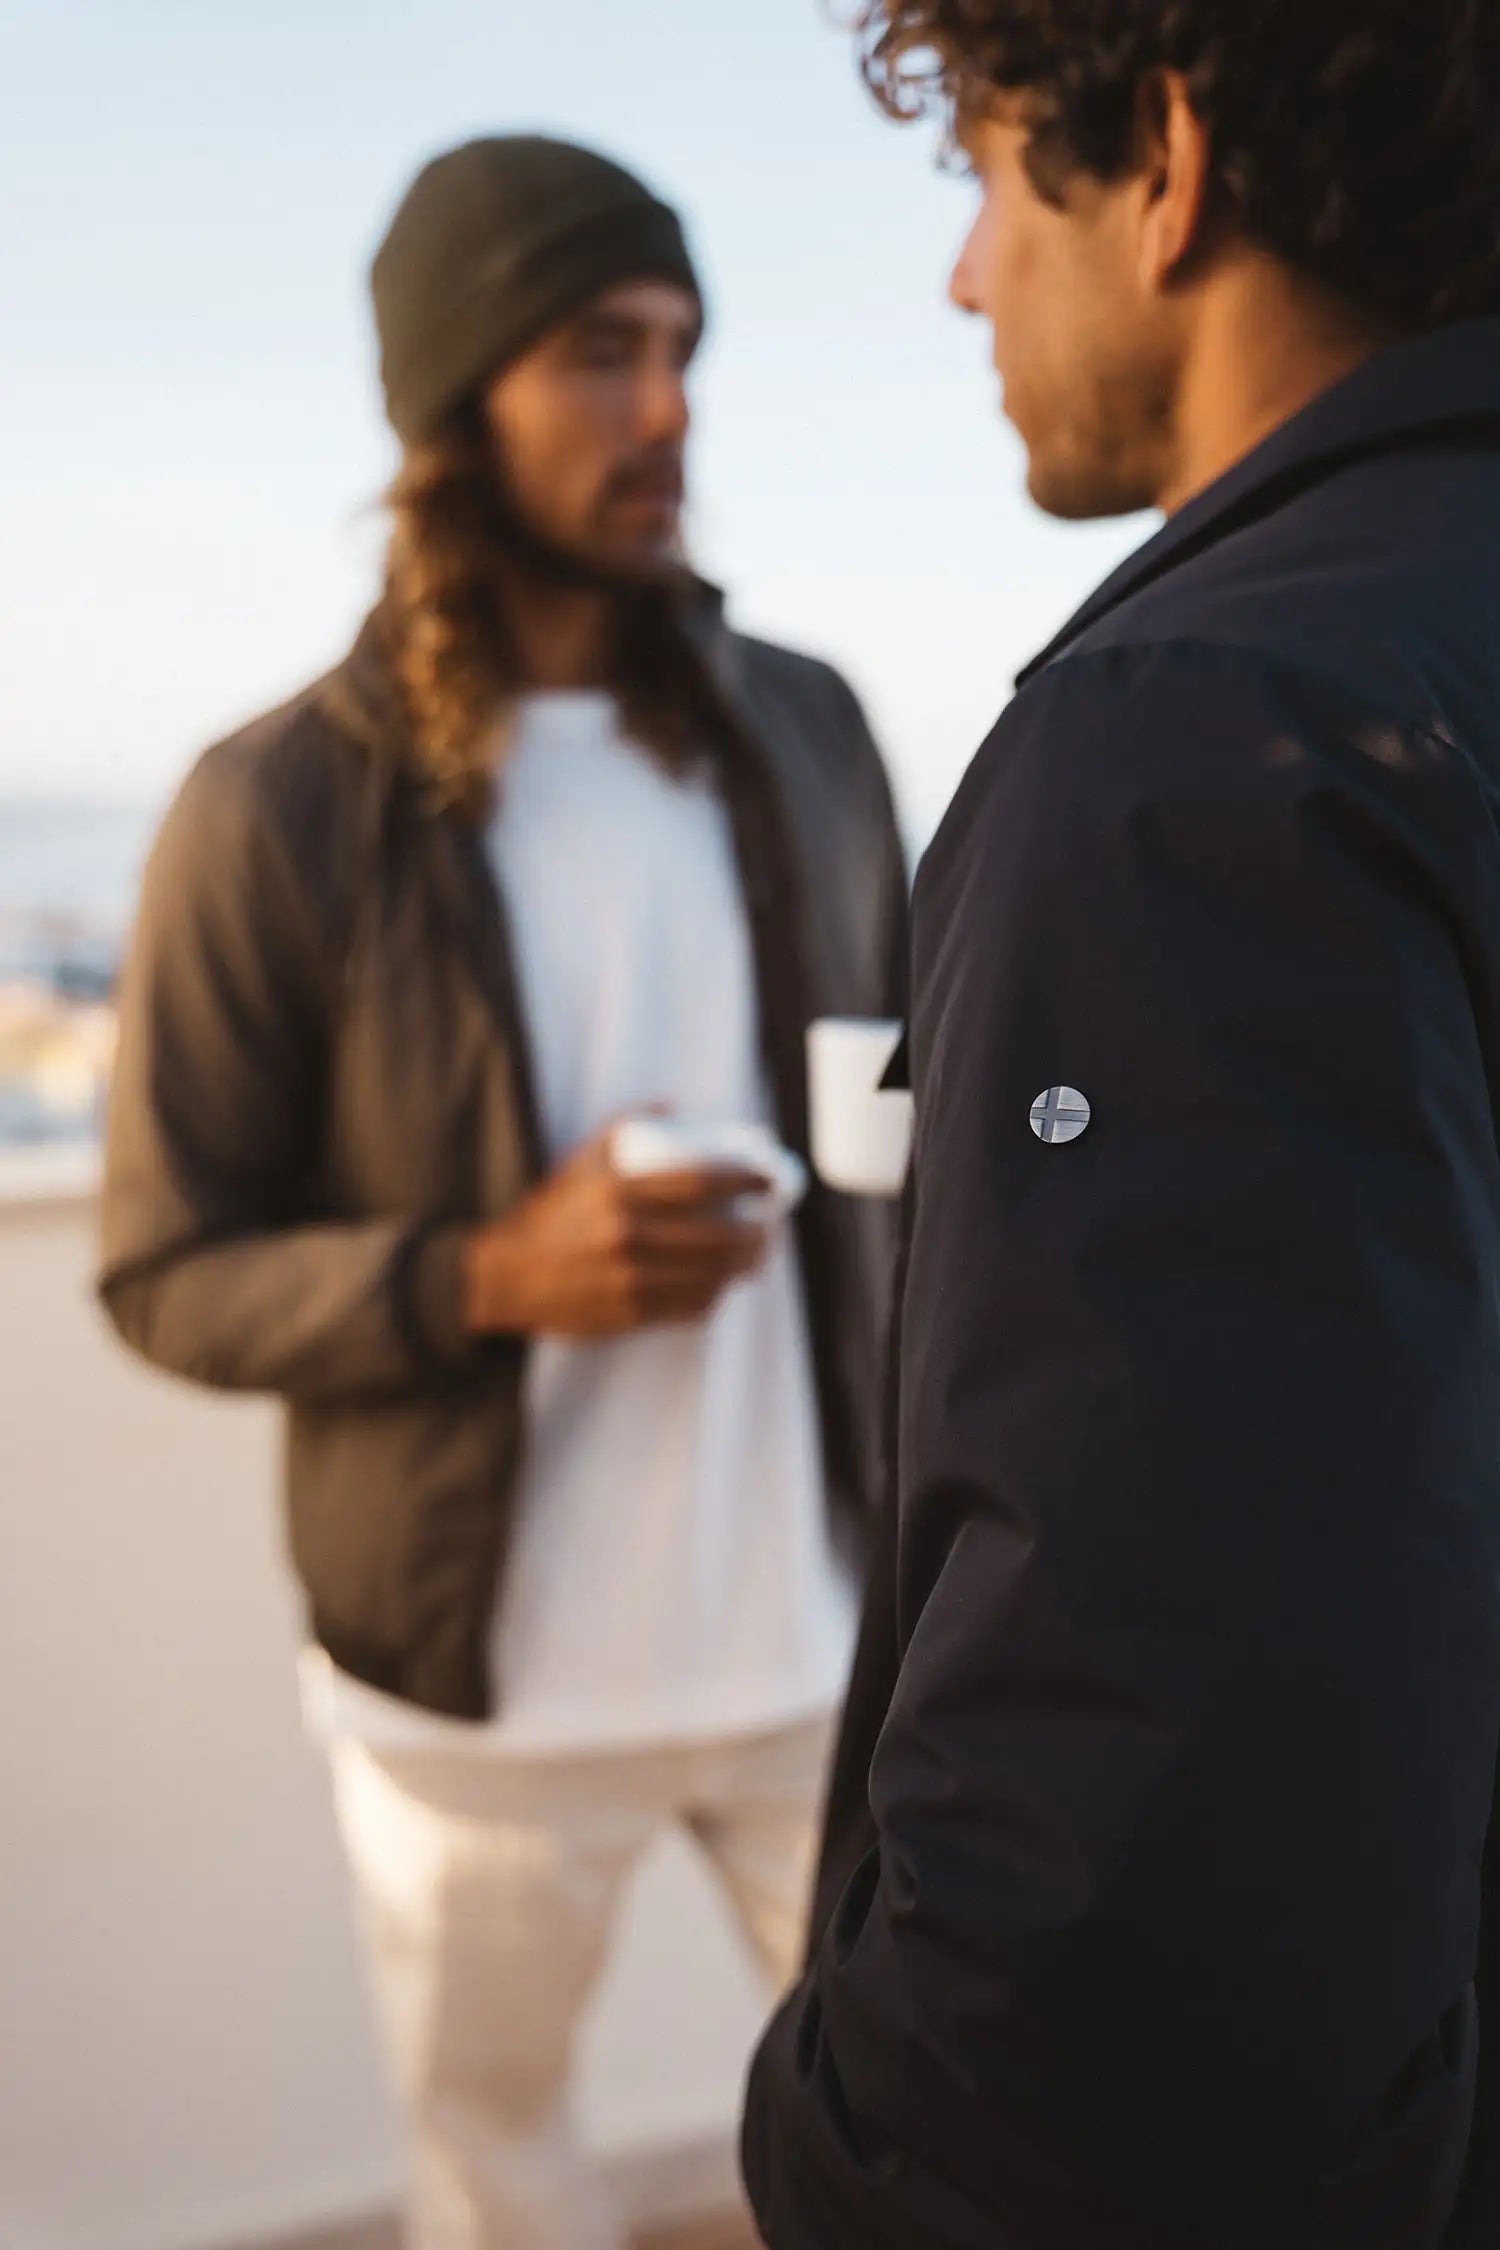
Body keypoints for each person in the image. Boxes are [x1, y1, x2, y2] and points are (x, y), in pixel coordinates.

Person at [98, 135, 906, 2250]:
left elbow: (902, 1115)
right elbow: (165, 1270)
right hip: (468, 1706)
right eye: (600, 353)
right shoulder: (269, 809)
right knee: (499, 2188)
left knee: (939, 2169)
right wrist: (485, 1273)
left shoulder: (810, 733)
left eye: (684, 355)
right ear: (458, 399)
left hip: (823, 1652)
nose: (668, 413)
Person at [742, 8, 1500, 2249]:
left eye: (986, 176)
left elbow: (1138, 1912)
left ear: (1163, 163)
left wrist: (839, 2151)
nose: (968, 276)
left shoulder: (1194, 745)